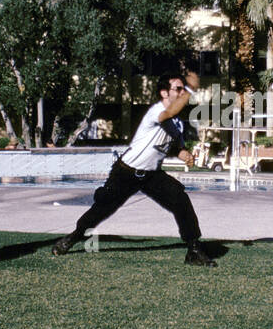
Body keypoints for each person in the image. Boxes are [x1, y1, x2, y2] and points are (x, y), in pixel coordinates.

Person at [53, 70, 215, 266]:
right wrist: (190, 88)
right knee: (102, 209)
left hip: (151, 175)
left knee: (180, 199)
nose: (182, 92)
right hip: (126, 171)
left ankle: (194, 249)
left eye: (183, 88)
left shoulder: (178, 124)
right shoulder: (157, 111)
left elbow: (173, 148)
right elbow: (170, 112)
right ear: (164, 93)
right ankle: (74, 236)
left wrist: (184, 154)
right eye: (178, 88)